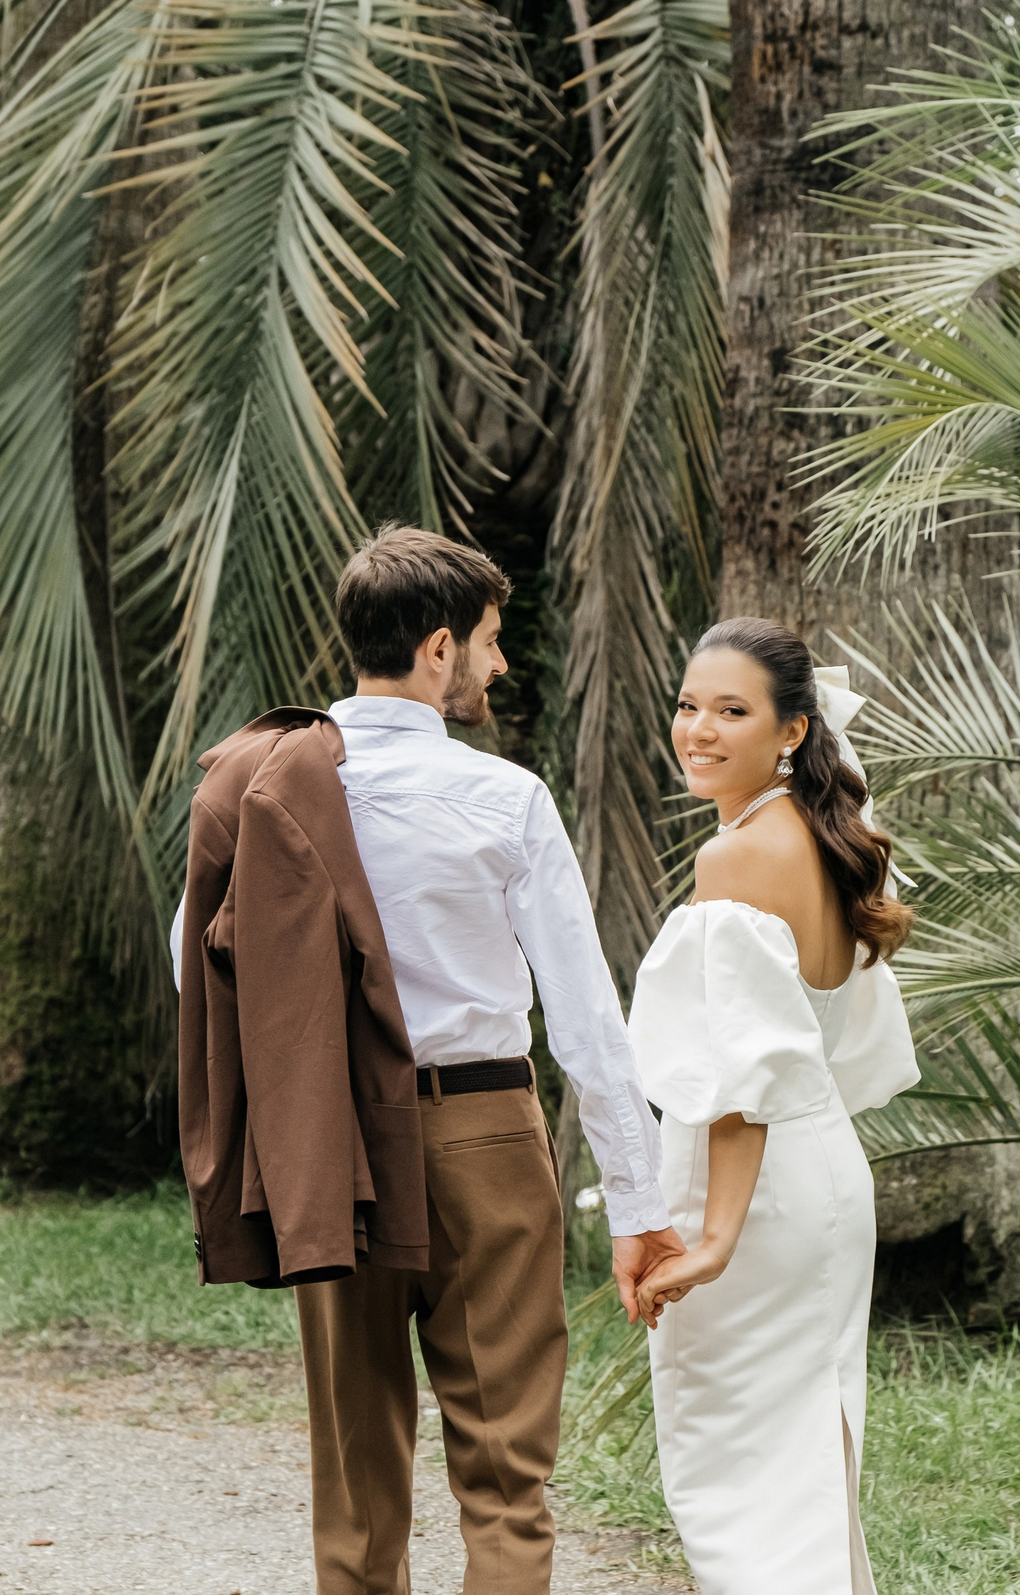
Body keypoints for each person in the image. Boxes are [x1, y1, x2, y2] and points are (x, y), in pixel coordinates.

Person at [175, 525, 683, 1595]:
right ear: (439, 647)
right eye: (492, 643)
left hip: (329, 1140)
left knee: (356, 1488)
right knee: (505, 1481)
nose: (498, 666)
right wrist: (635, 1205)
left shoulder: (262, 786)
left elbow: (194, 964)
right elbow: (587, 1023)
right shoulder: (505, 800)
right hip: (486, 1140)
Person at [628, 617, 922, 1595]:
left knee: (739, 1482)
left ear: (791, 730)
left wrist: (713, 1238)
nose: (698, 730)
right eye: (687, 706)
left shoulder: (739, 857)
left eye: (731, 711)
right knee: (797, 1469)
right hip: (821, 1171)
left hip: (758, 1196)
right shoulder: (823, 834)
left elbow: (742, 1083)